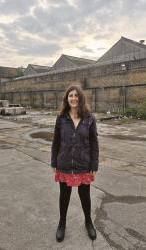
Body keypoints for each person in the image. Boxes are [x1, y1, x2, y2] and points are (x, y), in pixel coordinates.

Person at [51, 84, 99, 242]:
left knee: (85, 195)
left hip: (83, 164)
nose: (73, 98)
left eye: (76, 95)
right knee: (64, 195)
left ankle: (88, 222)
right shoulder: (61, 118)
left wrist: (94, 165)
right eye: (70, 96)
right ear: (67, 98)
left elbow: (94, 143)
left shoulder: (89, 118)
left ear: (80, 98)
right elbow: (56, 141)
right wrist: (53, 162)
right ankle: (62, 224)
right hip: (64, 163)